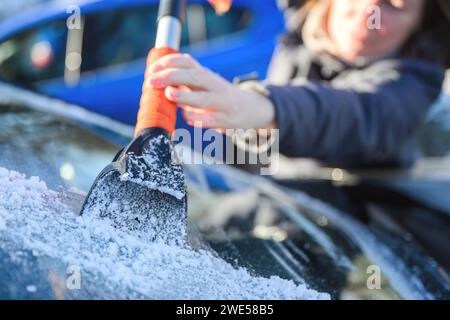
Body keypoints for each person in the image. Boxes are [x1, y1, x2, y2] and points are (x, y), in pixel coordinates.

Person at [147, 0, 450, 168]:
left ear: (420, 22)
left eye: (394, 5)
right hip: (251, 195)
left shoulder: (413, 84)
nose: (368, 12)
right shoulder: (299, 25)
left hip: (341, 241)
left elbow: (352, 114)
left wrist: (261, 106)